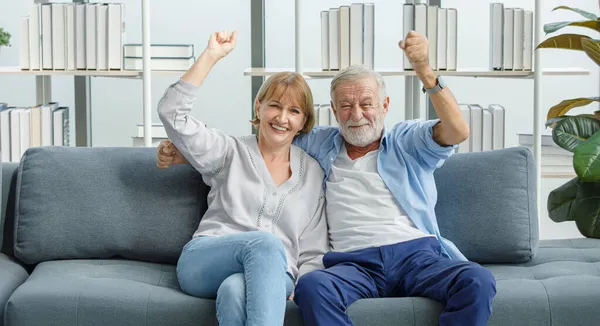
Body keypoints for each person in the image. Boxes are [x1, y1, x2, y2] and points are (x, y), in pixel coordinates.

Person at [158, 30, 497, 326]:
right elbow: (253, 144)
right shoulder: (314, 148)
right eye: (346, 106)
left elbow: (457, 130)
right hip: (353, 262)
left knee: (477, 280)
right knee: (303, 278)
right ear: (333, 112)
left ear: (385, 105)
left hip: (414, 254)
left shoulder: (402, 143)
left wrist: (425, 71)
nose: (358, 114)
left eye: (367, 103)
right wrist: (187, 152)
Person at [156, 30, 328, 326]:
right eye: (274, 104)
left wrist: (303, 285)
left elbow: (313, 248)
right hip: (205, 260)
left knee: (235, 290)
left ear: (303, 122)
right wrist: (211, 56)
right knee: (265, 243)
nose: (282, 117)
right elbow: (172, 113)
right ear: (258, 106)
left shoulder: (312, 172)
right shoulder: (228, 151)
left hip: (278, 276)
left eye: (294, 110)